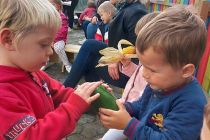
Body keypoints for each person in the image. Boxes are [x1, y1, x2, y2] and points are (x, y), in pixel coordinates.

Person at [99, 5, 207, 140]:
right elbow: (142, 105)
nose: (144, 74)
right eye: (143, 65)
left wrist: (129, 125)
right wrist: (125, 108)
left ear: (186, 71)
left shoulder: (190, 103)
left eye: (152, 70)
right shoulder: (159, 83)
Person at [0, 0, 105, 139]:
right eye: (44, 44)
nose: (50, 51)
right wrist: (73, 107)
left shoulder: (34, 72)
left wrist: (86, 96)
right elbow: (32, 135)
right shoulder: (3, 94)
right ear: (9, 39)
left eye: (51, 43)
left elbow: (60, 94)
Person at [101, 12, 159, 140]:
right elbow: (137, 75)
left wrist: (129, 122)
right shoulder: (149, 64)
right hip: (128, 105)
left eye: (141, 39)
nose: (137, 43)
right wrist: (127, 65)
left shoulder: (157, 72)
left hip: (135, 116)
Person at [64, 0, 147, 88]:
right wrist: (96, 16)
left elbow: (139, 48)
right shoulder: (125, 7)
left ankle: (67, 91)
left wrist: (114, 59)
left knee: (88, 60)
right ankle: (72, 91)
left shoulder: (136, 12)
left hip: (130, 69)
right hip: (119, 54)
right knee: (89, 44)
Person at [50, 0, 71, 73]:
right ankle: (44, 61)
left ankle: (67, 64)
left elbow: (62, 31)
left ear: (59, 6)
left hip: (59, 39)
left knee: (58, 47)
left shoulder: (62, 17)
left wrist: (53, 40)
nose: (50, 7)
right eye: (49, 5)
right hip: (49, 39)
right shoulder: (48, 16)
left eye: (53, 5)